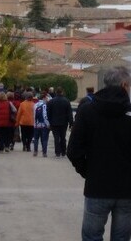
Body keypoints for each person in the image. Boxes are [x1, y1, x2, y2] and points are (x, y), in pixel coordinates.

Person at [67, 66, 131, 241]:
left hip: (97, 187)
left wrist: (88, 172)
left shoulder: (87, 110)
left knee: (92, 236)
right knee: (122, 237)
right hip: (127, 190)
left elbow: (73, 150)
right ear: (125, 84)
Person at [46, 86, 73, 158]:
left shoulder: (51, 101)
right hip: (64, 122)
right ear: (62, 92)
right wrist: (71, 123)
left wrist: (49, 121)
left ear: (56, 92)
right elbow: (69, 113)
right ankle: (63, 152)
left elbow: (48, 113)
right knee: (63, 137)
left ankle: (57, 152)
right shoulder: (66, 101)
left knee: (56, 138)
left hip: (54, 122)